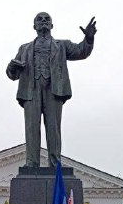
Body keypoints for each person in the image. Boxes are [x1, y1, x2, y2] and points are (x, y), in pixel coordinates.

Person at [6, 12, 96, 169]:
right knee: (31, 128)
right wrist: (12, 66)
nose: (43, 21)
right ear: (34, 26)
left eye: (47, 19)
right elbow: (12, 74)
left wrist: (88, 38)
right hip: (30, 91)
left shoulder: (62, 45)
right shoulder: (24, 48)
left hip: (54, 90)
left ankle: (55, 164)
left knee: (53, 128)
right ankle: (32, 163)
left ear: (52, 25)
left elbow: (81, 51)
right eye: (39, 20)